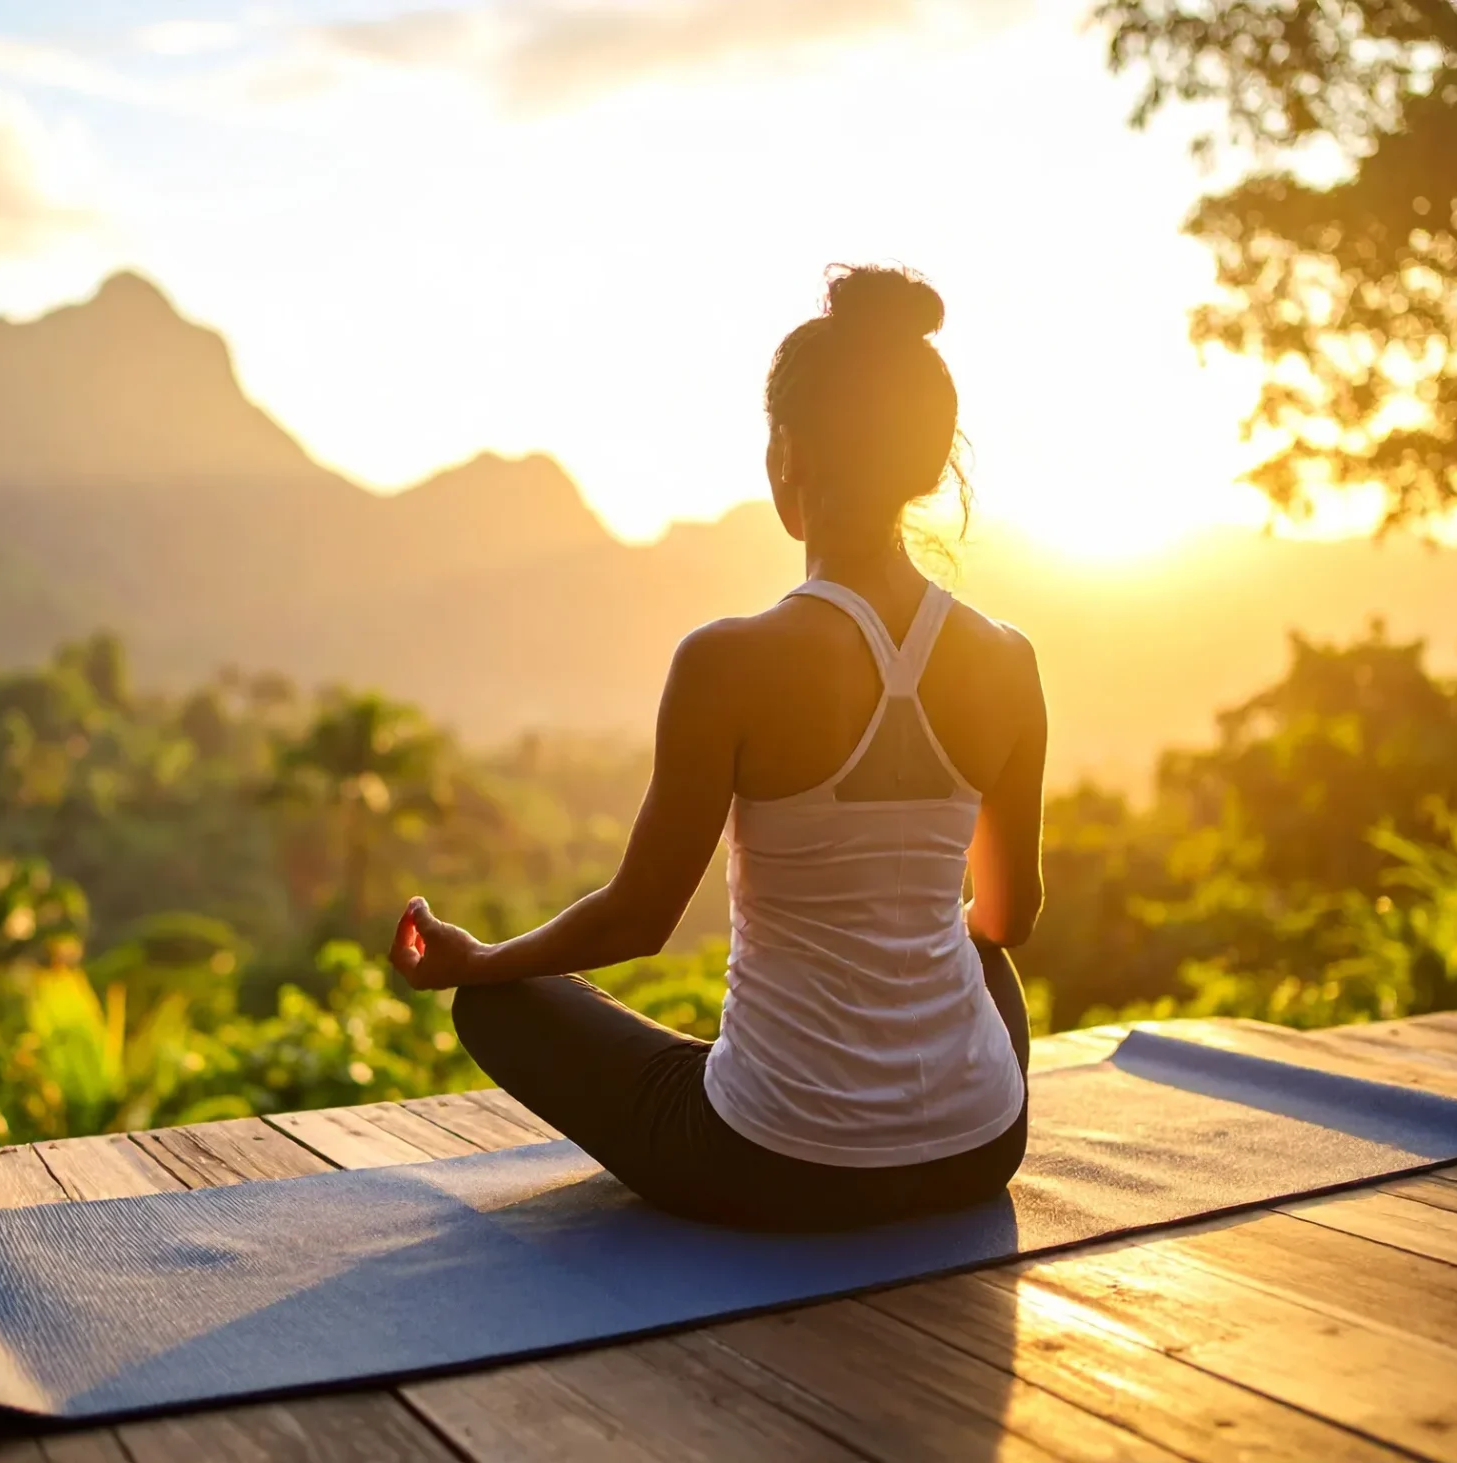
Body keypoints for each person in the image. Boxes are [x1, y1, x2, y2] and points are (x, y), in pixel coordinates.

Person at [389, 265, 1042, 1231]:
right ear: (925, 462)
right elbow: (1009, 917)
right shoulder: (1007, 659)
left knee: (501, 1006)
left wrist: (476, 961)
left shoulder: (729, 661)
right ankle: (911, 1097)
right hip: (981, 1145)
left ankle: (785, 1083)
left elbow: (636, 921)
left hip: (773, 1164)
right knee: (974, 949)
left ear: (788, 455)